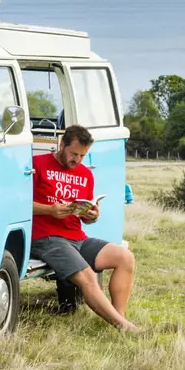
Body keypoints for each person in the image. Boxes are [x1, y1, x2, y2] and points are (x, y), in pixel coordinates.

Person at [30, 125, 139, 332]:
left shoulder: (86, 174)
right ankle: (124, 327)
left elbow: (84, 215)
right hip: (47, 238)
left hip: (77, 237)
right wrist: (49, 210)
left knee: (125, 258)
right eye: (74, 154)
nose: (77, 160)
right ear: (61, 145)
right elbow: (18, 204)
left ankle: (119, 316)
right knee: (88, 277)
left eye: (82, 155)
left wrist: (92, 215)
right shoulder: (37, 164)